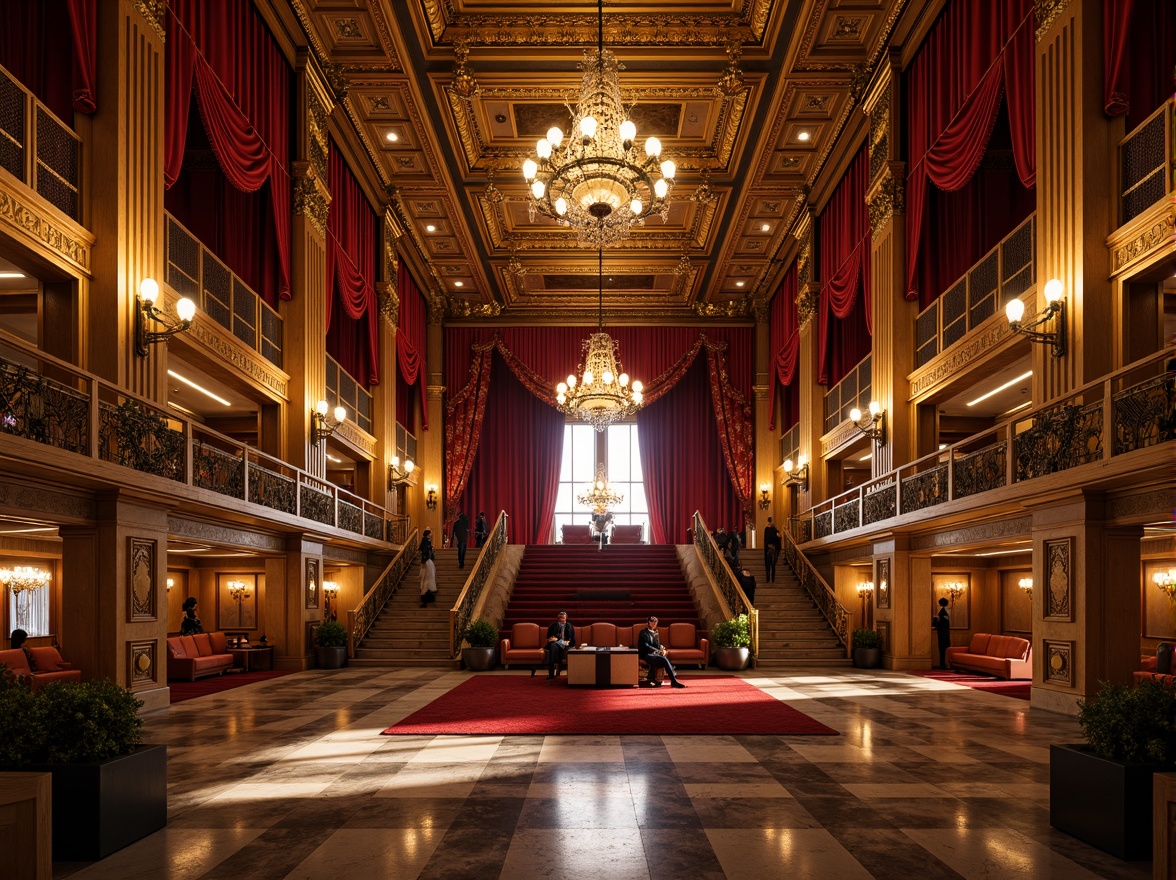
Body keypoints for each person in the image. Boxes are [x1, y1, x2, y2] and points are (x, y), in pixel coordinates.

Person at [637, 615, 686, 688]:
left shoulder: (655, 633)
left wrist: (662, 649)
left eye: (655, 622)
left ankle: (652, 680)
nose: (654, 624)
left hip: (654, 654)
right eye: (652, 622)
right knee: (664, 659)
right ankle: (673, 679)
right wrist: (656, 650)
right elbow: (645, 645)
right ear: (648, 622)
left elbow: (658, 645)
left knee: (662, 659)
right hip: (646, 654)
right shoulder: (643, 632)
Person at [545, 610, 574, 679]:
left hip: (566, 644)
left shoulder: (569, 626)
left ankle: (571, 675)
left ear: (566, 618)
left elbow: (572, 637)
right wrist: (558, 639)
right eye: (560, 618)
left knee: (568, 648)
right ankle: (551, 673)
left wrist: (568, 642)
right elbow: (548, 637)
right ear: (558, 618)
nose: (562, 620)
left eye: (563, 618)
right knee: (552, 646)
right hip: (555, 644)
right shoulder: (553, 626)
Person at [419, 529, 438, 607]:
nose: (431, 535)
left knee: (425, 581)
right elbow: (426, 550)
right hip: (427, 561)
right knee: (427, 579)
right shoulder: (427, 540)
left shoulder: (424, 540)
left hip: (425, 561)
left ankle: (425, 599)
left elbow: (421, 548)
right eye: (430, 534)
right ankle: (426, 599)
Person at [932, 597, 951, 669]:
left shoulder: (943, 611)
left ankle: (943, 663)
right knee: (944, 647)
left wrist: (935, 621)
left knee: (942, 648)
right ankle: (943, 663)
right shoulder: (946, 611)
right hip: (945, 633)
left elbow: (942, 622)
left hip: (943, 633)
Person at [763, 516, 781, 583]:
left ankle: (772, 579)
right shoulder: (767, 529)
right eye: (769, 521)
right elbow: (766, 539)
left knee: (772, 565)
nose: (769, 523)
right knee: (768, 564)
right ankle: (768, 578)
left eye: (770, 521)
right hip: (768, 549)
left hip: (773, 549)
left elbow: (777, 538)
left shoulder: (774, 530)